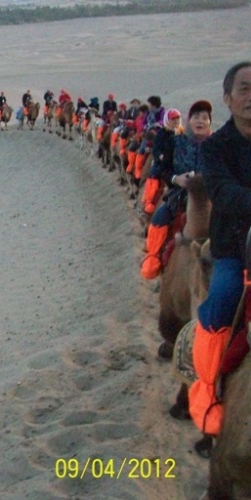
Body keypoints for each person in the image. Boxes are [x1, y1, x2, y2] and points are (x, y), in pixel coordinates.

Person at [188, 61, 251, 437]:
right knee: (223, 299)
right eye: (244, 88)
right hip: (236, 249)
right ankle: (207, 388)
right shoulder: (215, 148)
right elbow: (222, 193)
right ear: (227, 98)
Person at [141, 100, 213, 279]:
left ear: (210, 122)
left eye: (205, 118)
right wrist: (175, 179)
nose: (200, 121)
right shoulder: (176, 142)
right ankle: (153, 259)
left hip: (212, 198)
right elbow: (162, 168)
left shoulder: (218, 145)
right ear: (189, 121)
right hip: (180, 195)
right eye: (196, 117)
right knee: (160, 217)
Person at [141, 108, 183, 219]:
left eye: (178, 119)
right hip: (163, 164)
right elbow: (156, 150)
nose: (176, 121)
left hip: (180, 165)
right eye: (173, 119)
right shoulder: (161, 134)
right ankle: (148, 205)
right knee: (154, 176)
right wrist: (162, 156)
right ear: (167, 120)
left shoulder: (182, 133)